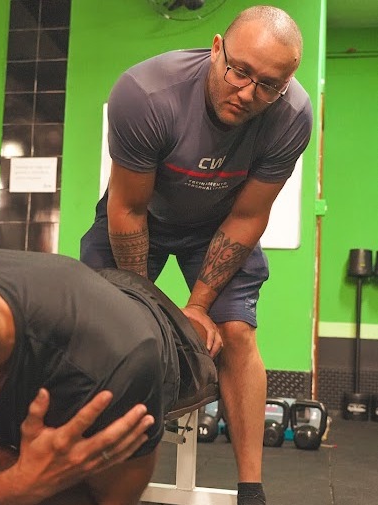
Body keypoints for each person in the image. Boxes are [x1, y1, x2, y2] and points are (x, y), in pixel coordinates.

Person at [80, 5, 313, 504]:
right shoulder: (146, 94)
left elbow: (249, 216)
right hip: (140, 215)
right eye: (239, 71)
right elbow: (128, 208)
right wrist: (150, 312)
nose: (247, 93)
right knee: (104, 330)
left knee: (237, 333)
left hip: (219, 224)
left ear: (286, 84)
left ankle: (252, 490)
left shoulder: (292, 115)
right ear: (216, 48)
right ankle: (83, 472)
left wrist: (199, 305)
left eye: (268, 86)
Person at [0, 218, 218, 505]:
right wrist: (9, 484)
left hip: (155, 329)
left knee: (207, 337)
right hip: (58, 293)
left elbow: (106, 500)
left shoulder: (116, 364)